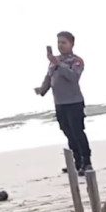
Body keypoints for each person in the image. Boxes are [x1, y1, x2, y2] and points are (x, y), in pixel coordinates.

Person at [35, 31, 91, 175]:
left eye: (64, 42)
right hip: (60, 103)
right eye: (59, 42)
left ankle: (87, 162)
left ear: (71, 44)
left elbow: (73, 77)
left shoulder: (76, 61)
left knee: (77, 132)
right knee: (68, 133)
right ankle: (77, 161)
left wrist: (58, 63)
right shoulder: (54, 61)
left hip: (74, 102)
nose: (60, 45)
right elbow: (49, 77)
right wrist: (42, 89)